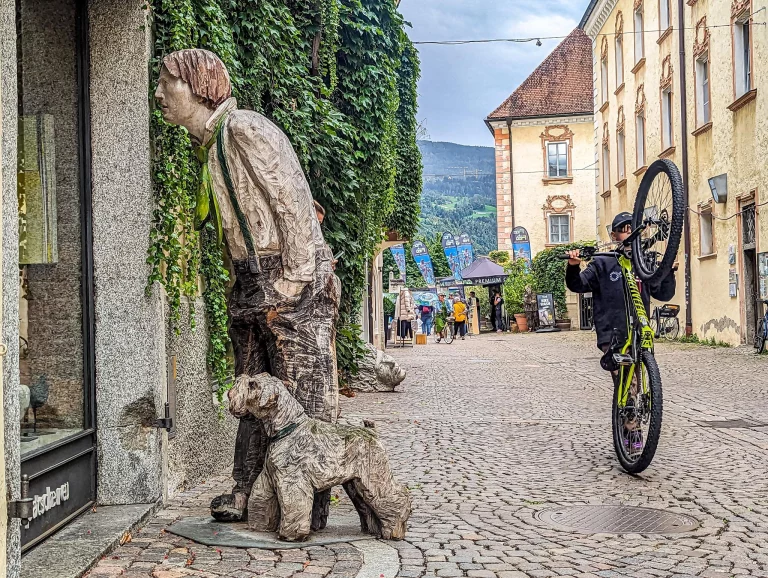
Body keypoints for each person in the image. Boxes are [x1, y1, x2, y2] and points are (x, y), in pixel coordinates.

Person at [155, 49, 340, 524]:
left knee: (303, 389)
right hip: (251, 280)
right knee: (253, 389)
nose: (158, 93)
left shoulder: (244, 129)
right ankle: (248, 488)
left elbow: (294, 202)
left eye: (166, 82)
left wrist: (295, 281)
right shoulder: (209, 146)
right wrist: (242, 284)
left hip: (287, 275)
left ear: (198, 86)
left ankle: (309, 498)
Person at [566, 211, 676, 368]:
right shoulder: (602, 263)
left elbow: (664, 295)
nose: (631, 232)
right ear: (614, 235)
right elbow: (577, 285)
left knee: (642, 381)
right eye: (625, 230)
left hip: (640, 332)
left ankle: (645, 392)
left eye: (635, 229)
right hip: (612, 333)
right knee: (625, 380)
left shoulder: (645, 264)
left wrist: (668, 273)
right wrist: (573, 266)